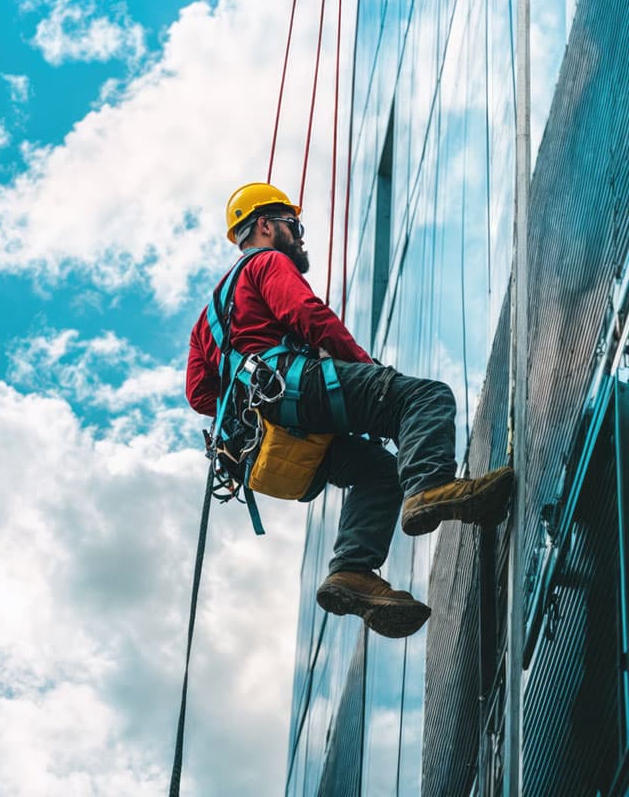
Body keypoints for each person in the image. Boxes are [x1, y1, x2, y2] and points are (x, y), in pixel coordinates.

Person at [186, 183, 513, 639]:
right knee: (423, 398)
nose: (299, 238)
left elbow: (200, 396)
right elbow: (307, 315)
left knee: (379, 472)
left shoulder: (207, 321)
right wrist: (367, 370)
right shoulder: (266, 263)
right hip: (297, 387)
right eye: (293, 225)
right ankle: (431, 487)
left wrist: (249, 381)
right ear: (264, 225)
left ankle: (352, 571)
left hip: (270, 427)